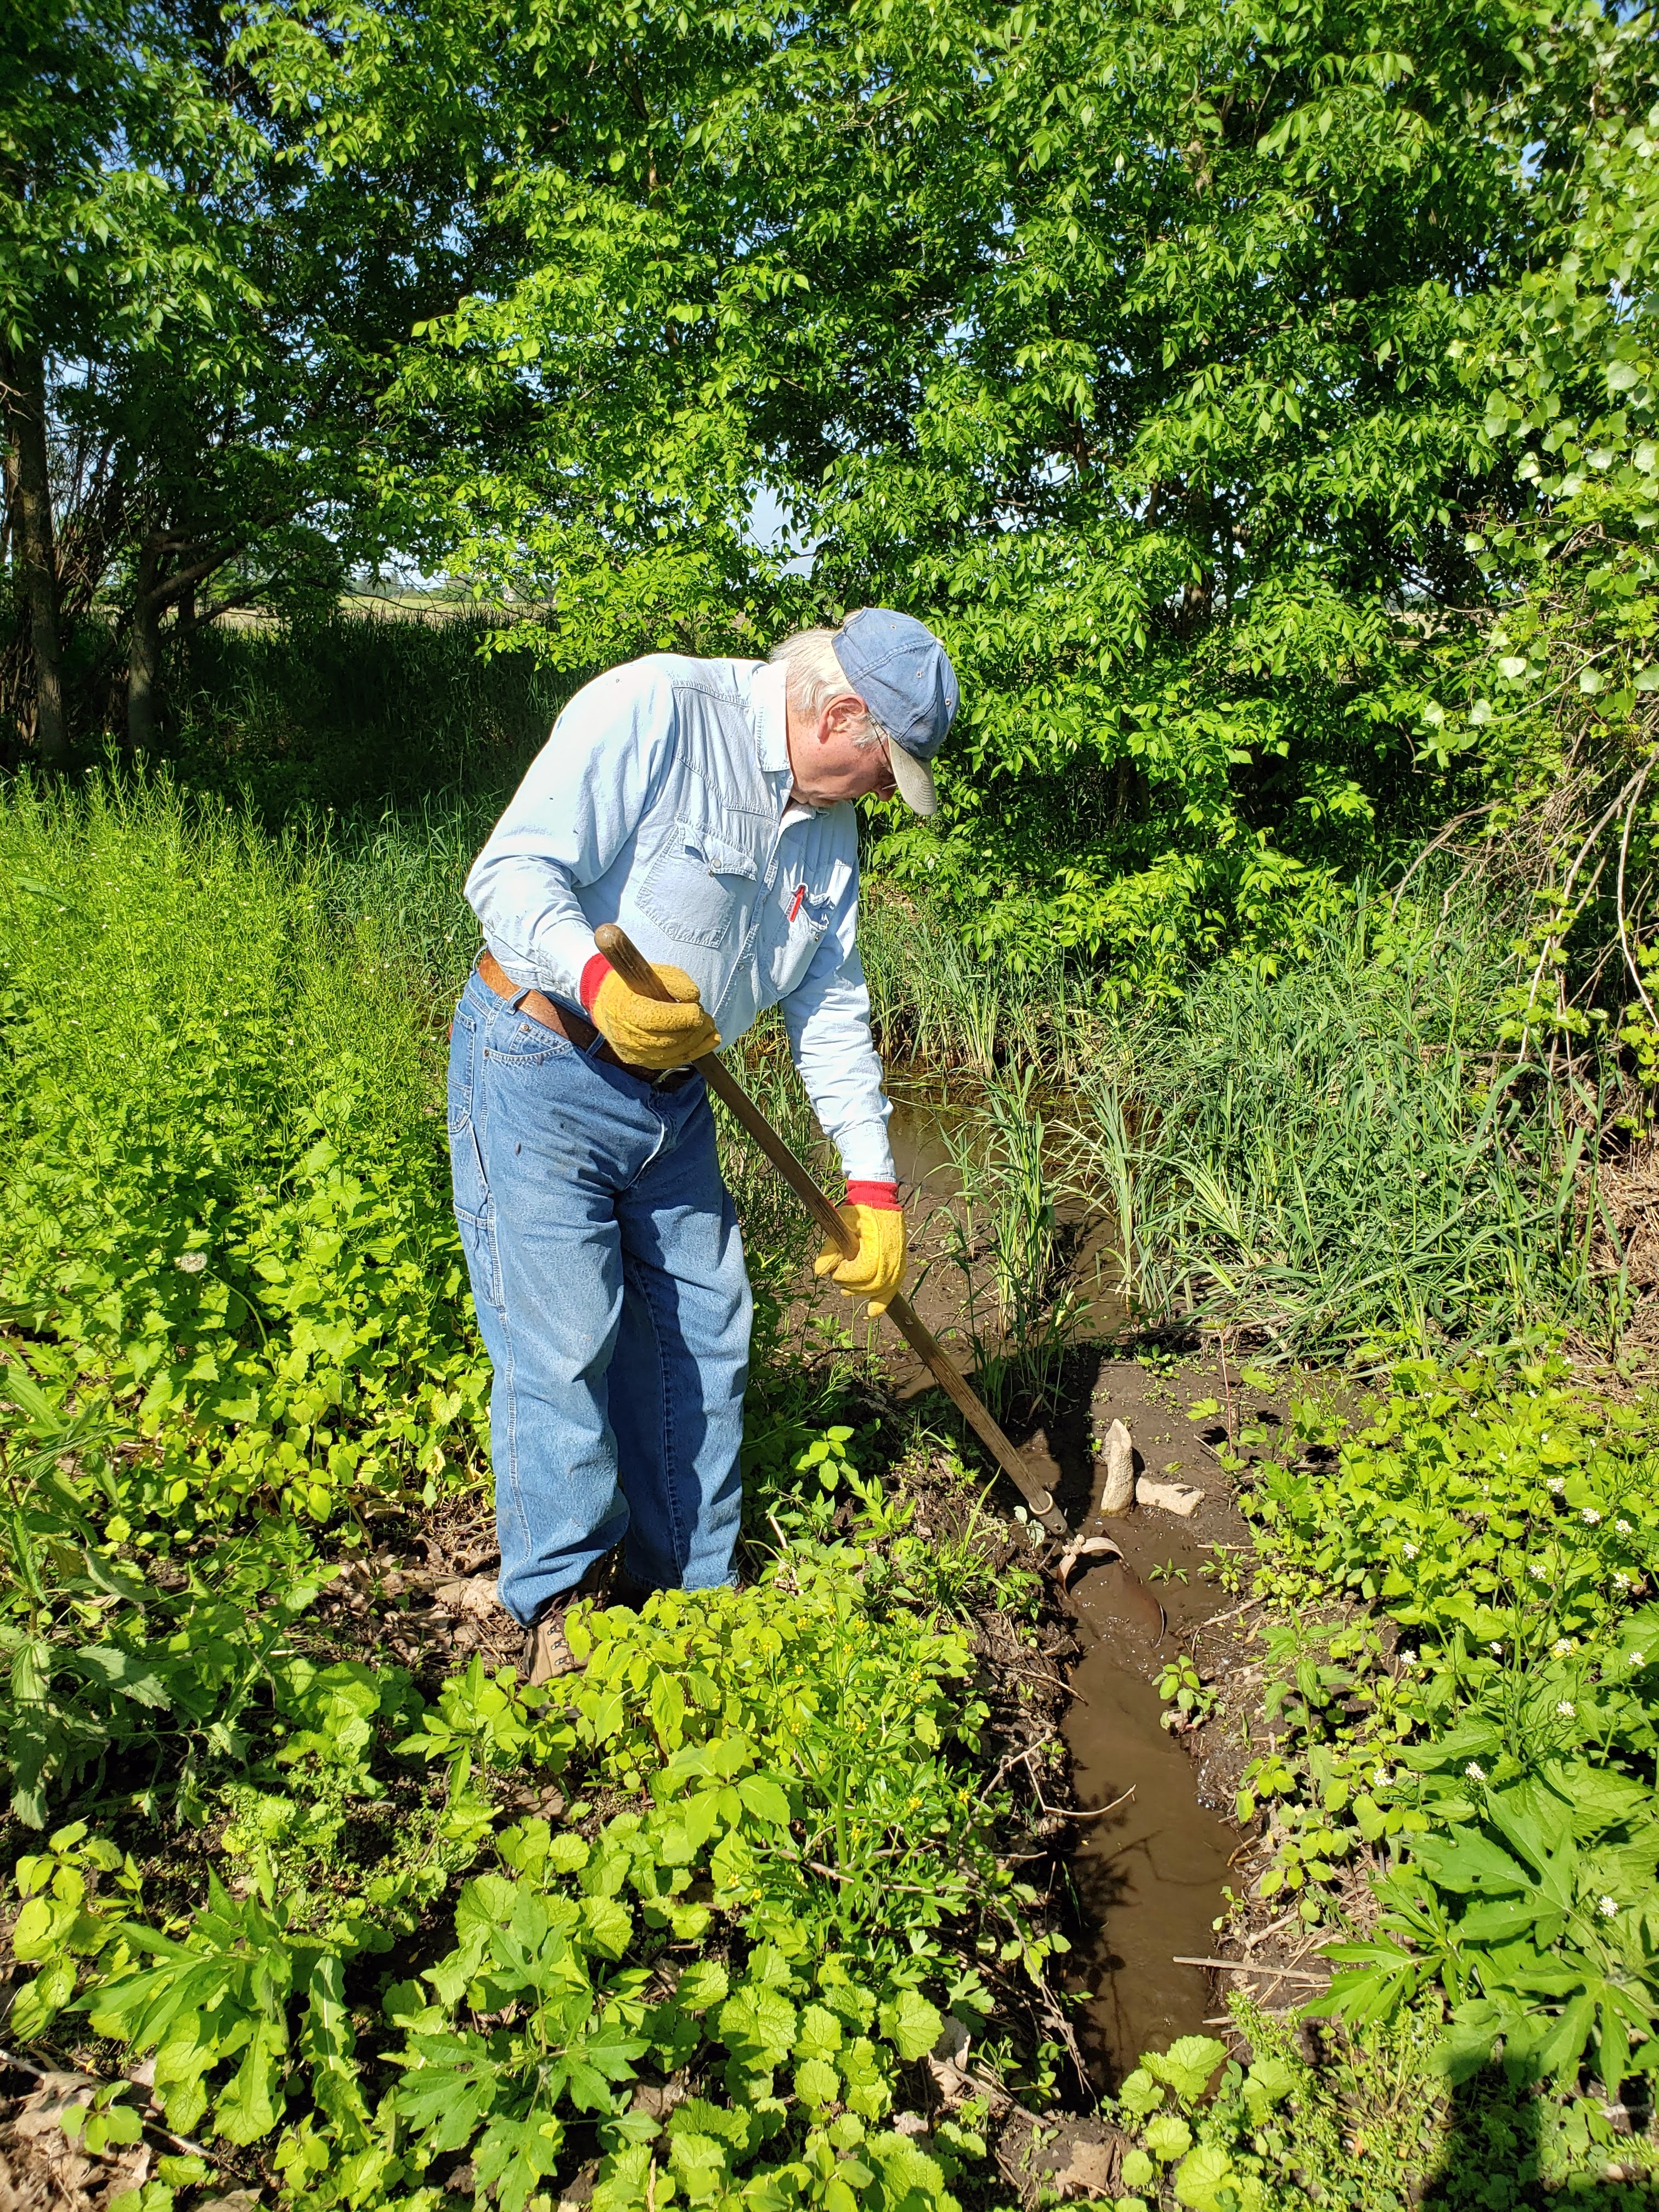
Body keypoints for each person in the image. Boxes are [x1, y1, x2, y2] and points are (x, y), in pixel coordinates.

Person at [448, 608, 959, 1680]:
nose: (880, 794)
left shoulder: (828, 826)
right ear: (841, 713)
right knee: (562, 1341)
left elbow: (827, 999)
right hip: (540, 1066)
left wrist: (873, 1180)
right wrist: (594, 980)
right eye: (882, 768)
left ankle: (684, 1590)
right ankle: (563, 1608)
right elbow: (507, 876)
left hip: (672, 1100)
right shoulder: (659, 711)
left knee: (706, 1329)